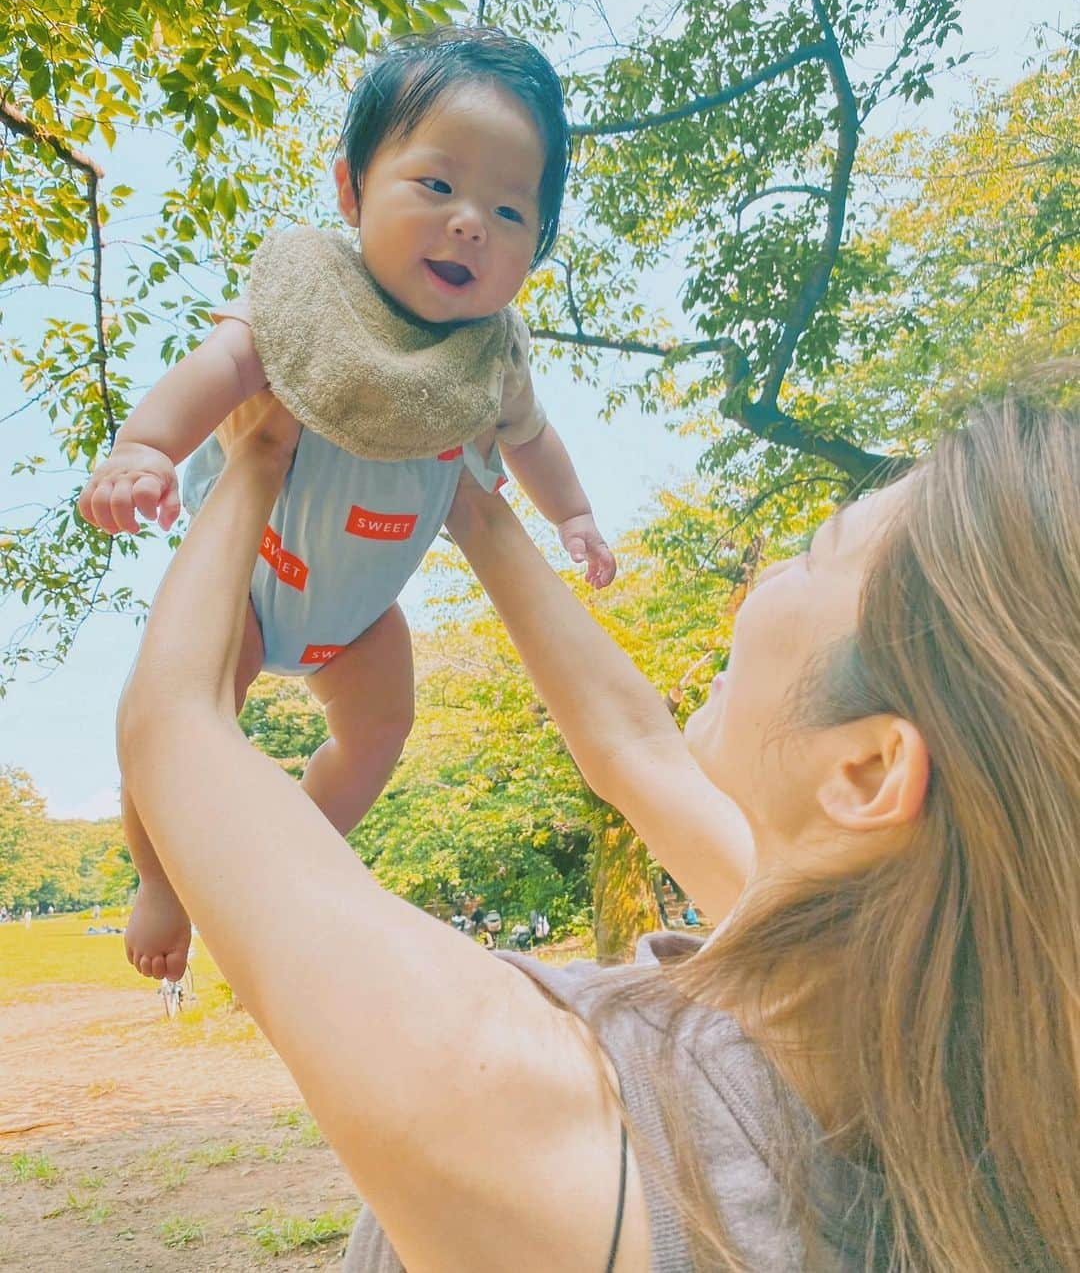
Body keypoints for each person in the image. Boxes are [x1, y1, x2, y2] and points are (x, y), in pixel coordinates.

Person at [117, 377, 1078, 1271]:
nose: (772, 569)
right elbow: (633, 747)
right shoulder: (925, 1055)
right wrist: (466, 497)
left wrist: (257, 458)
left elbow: (177, 726)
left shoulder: (535, 1110)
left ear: (866, 771)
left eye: (814, 557)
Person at [77, 26, 616, 984]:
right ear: (350, 190)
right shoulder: (312, 295)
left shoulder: (489, 357)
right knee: (174, 713)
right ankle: (160, 877)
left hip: (359, 615)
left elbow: (531, 440)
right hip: (245, 584)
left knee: (381, 726)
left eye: (509, 209)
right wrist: (144, 448)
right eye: (438, 186)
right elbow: (218, 367)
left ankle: (301, 851)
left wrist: (570, 514)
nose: (469, 224)